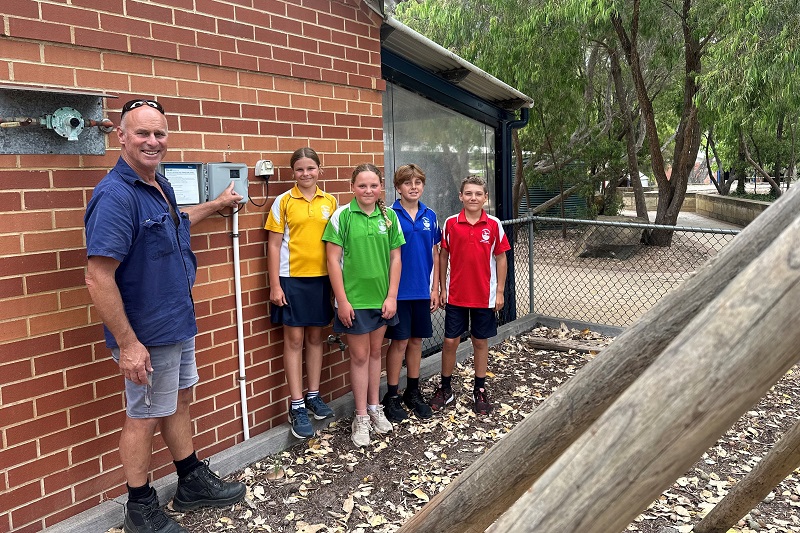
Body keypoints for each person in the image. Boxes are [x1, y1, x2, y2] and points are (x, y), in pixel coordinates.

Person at [84, 99, 246, 533]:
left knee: (177, 400)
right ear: (121, 137)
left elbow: (176, 221)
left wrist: (215, 205)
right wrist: (129, 342)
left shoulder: (158, 185)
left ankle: (190, 479)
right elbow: (98, 277)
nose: (152, 141)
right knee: (144, 415)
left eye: (159, 133)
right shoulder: (117, 196)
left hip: (177, 320)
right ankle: (139, 507)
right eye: (142, 133)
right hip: (148, 332)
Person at [322, 163, 405, 447]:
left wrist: (392, 295)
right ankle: (360, 417)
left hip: (381, 300)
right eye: (362, 185)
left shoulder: (390, 216)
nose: (368, 190)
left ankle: (374, 408)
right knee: (358, 357)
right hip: (354, 302)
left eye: (373, 185)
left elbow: (396, 258)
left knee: (373, 355)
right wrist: (342, 301)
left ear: (381, 187)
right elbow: (332, 261)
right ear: (352, 187)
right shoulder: (341, 217)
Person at [265, 147, 337, 439]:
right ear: (293, 173)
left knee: (316, 337)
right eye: (299, 169)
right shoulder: (283, 201)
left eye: (311, 168)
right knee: (294, 339)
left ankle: (313, 395)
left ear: (320, 169)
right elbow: (272, 245)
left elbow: (337, 246)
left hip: (322, 280)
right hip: (291, 279)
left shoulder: (331, 202)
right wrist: (275, 284)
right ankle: (296, 405)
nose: (305, 174)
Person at [431, 176, 510, 415]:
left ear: (486, 197)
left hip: (484, 296)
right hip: (456, 295)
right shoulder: (451, 223)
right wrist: (443, 288)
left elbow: (501, 258)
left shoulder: (494, 224)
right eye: (468, 193)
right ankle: (445, 388)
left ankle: (480, 388)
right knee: (450, 342)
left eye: (478, 193)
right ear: (460, 196)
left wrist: (499, 292)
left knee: (479, 341)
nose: (473, 197)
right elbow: (443, 255)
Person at [382, 164, 440, 422]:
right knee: (400, 342)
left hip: (422, 290)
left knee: (417, 341)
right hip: (398, 291)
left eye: (418, 182)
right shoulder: (388, 216)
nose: (413, 187)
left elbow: (436, 253)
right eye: (407, 183)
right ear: (398, 187)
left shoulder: (430, 215)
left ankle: (413, 392)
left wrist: (436, 287)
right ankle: (392, 395)